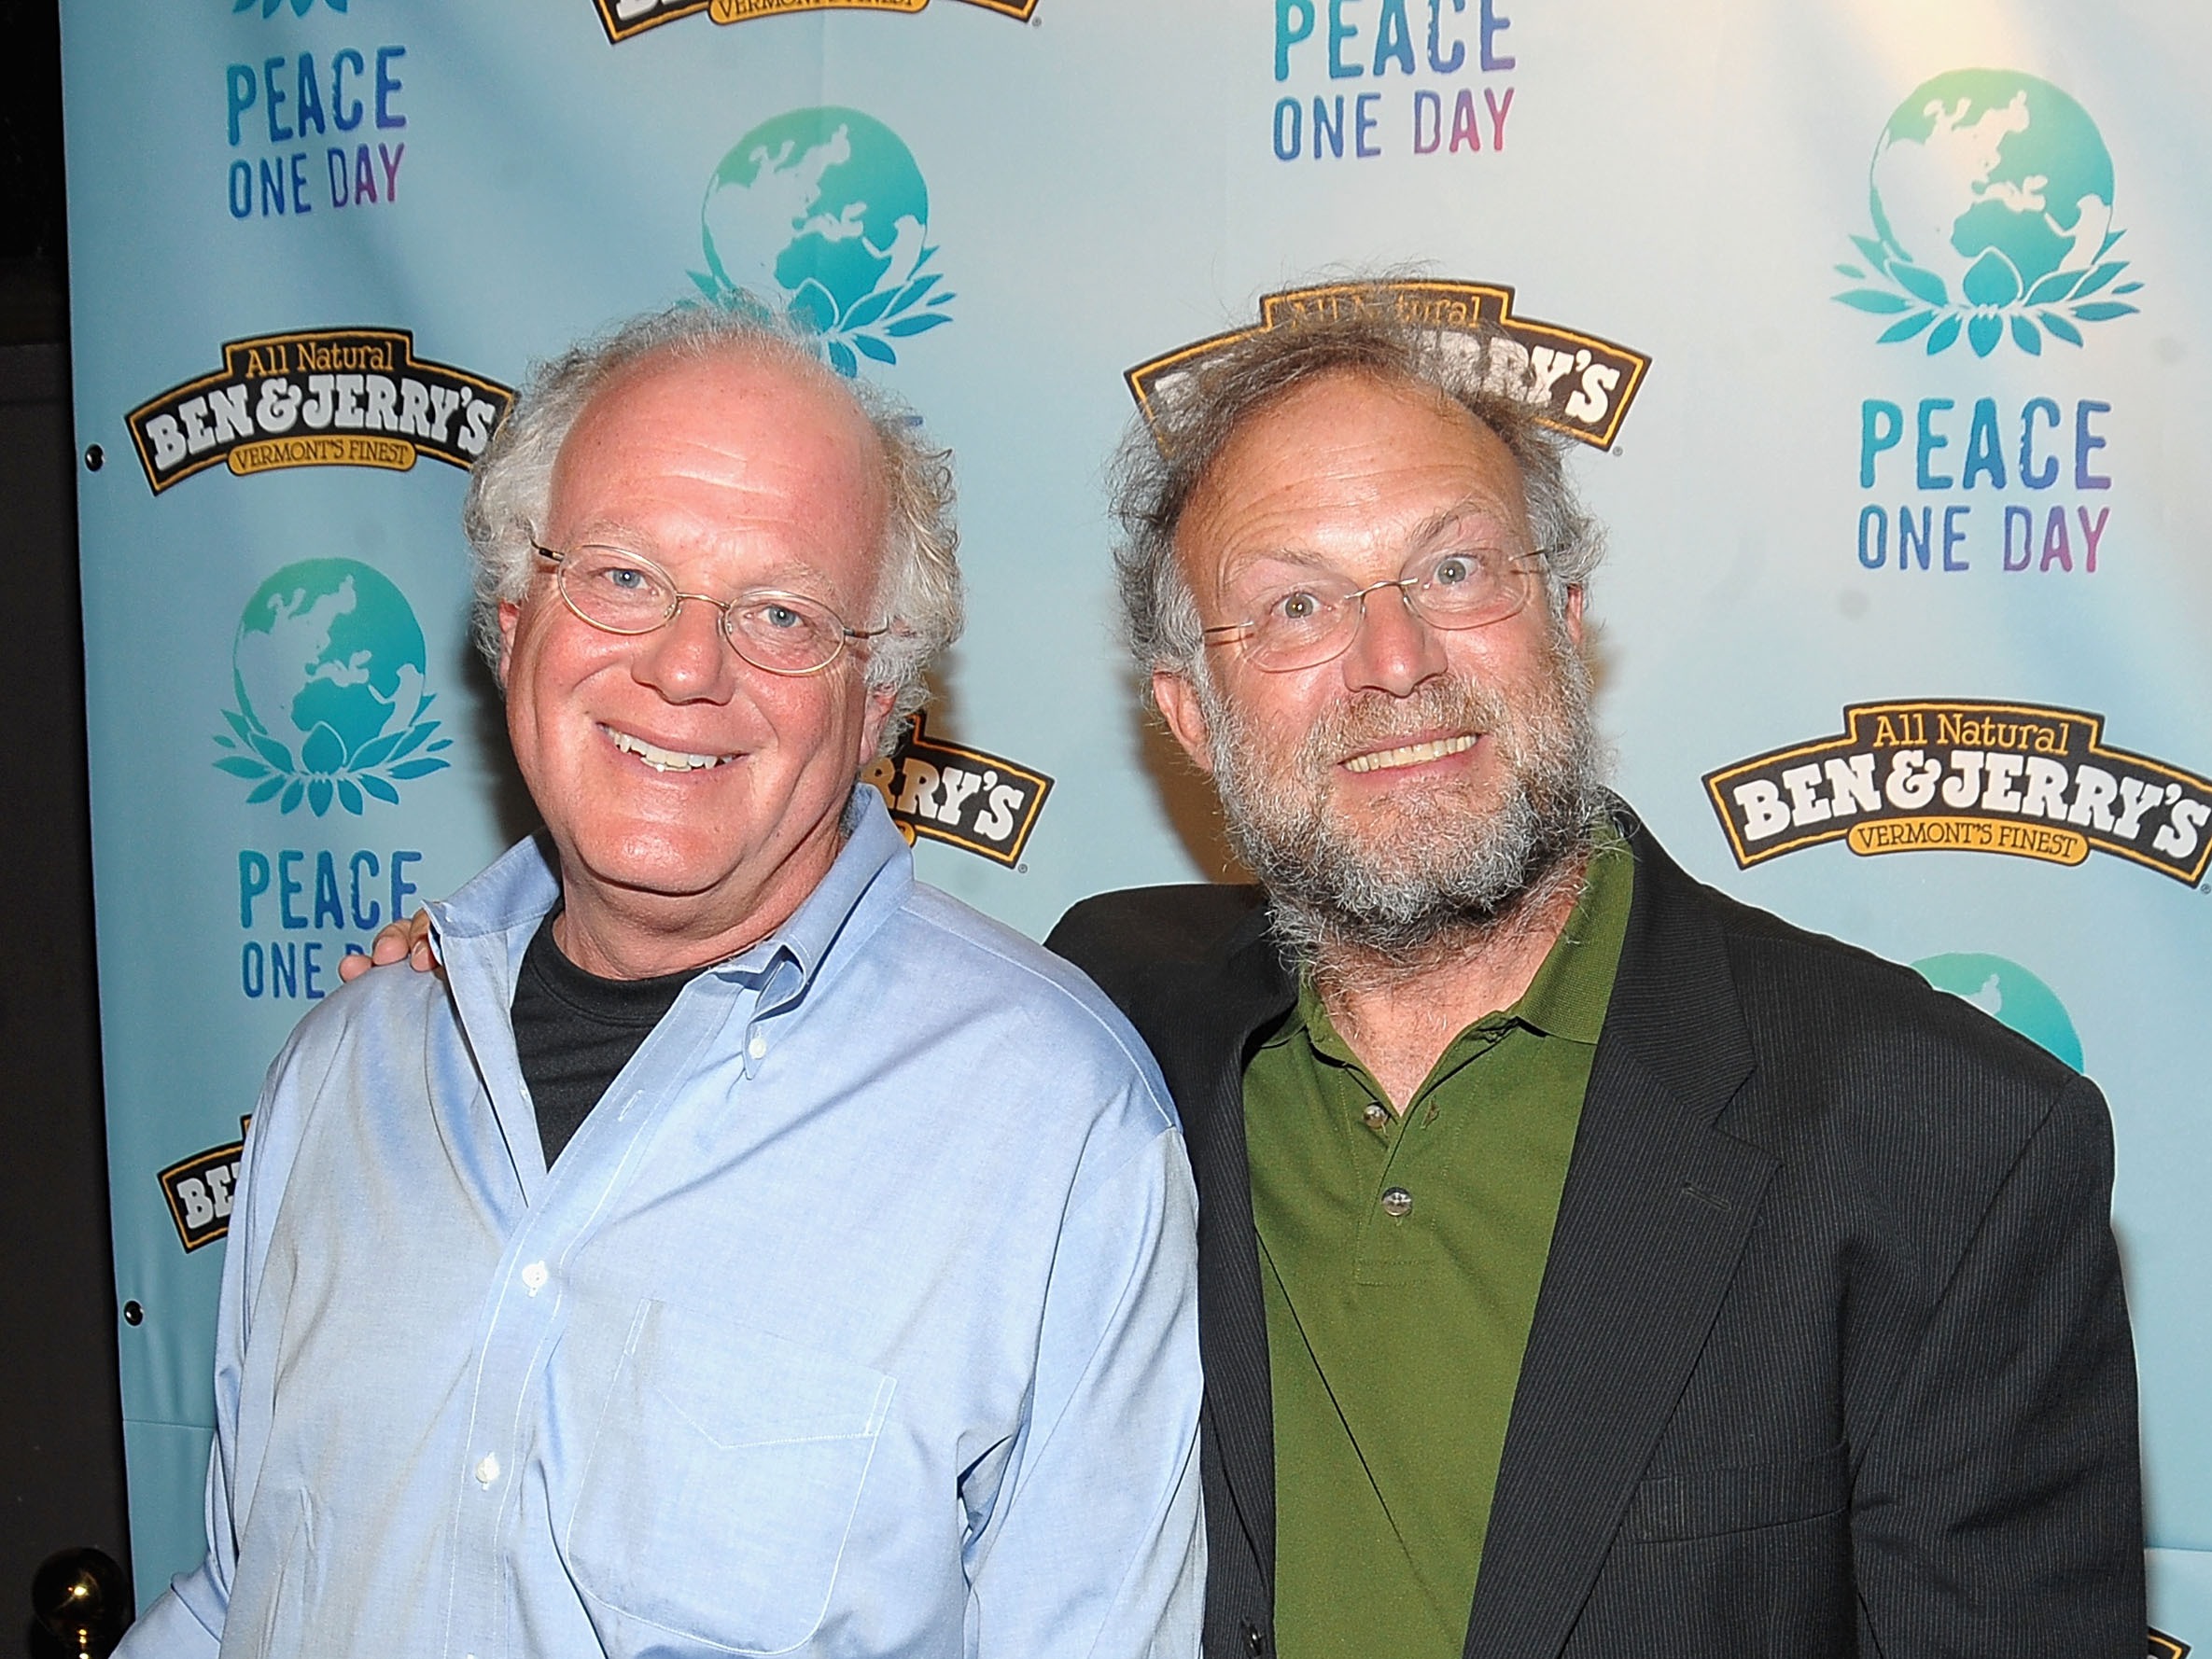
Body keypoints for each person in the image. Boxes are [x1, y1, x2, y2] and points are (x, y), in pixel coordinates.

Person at [1045, 295, 2145, 1658]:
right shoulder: (1108, 1021)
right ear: (1190, 722)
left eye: (1453, 572)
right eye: (1293, 605)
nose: (1395, 663)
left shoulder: (1945, 1137)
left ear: (1563, 618)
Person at [122, 306, 1205, 1659]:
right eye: (624, 577)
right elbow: (245, 1596)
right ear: (513, 623)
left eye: (779, 612)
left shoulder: (1055, 1128)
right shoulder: (346, 1068)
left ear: (876, 705)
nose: (688, 668)